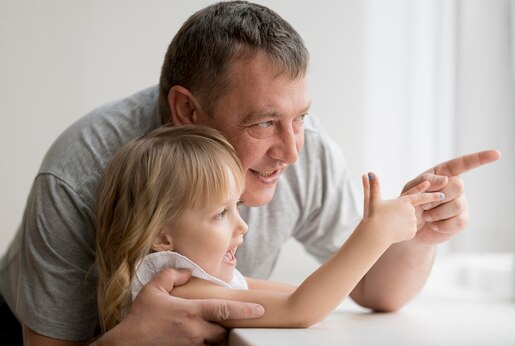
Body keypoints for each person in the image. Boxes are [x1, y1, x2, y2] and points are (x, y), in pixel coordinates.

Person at [0, 1, 500, 346]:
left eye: (301, 116)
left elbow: (375, 292)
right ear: (186, 110)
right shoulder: (79, 174)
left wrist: (416, 229)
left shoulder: (304, 146)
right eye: (262, 122)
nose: (292, 150)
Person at [96, 124, 444, 335]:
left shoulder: (198, 278)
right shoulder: (178, 295)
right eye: (221, 213)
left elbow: (299, 293)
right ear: (161, 236)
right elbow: (300, 308)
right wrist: (373, 234)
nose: (242, 225)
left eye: (237, 207)